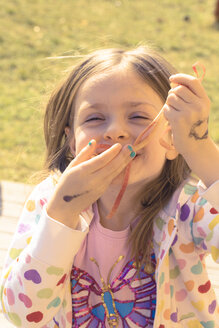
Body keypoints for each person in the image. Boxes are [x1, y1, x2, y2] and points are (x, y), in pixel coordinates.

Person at [0, 47, 219, 328]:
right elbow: (21, 314)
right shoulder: (50, 201)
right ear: (71, 142)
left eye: (138, 117)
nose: (115, 131)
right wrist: (62, 215)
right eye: (94, 118)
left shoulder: (188, 207)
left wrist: (200, 148)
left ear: (172, 139)